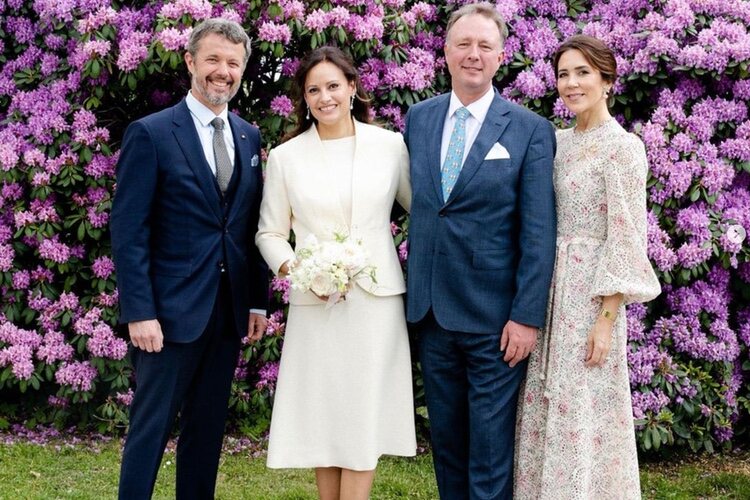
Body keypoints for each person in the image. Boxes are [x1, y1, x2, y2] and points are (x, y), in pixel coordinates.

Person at [403, 3, 557, 499]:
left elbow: (538, 232)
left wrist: (526, 316)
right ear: (445, 52)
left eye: (484, 46)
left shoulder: (530, 129)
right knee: (448, 449)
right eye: (463, 44)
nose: (473, 54)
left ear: (501, 56)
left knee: (490, 456)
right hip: (432, 315)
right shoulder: (419, 118)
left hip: (496, 322)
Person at [110, 19, 268, 499]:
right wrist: (140, 311)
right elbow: (129, 229)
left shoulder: (249, 137)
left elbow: (249, 225)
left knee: (206, 433)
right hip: (167, 316)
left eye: (233, 63)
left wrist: (256, 303)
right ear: (191, 62)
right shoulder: (152, 133)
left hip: (224, 314)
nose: (223, 71)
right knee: (150, 431)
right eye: (214, 59)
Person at [255, 46, 416, 500]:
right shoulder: (286, 158)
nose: (324, 97)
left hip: (375, 303)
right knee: (326, 415)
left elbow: (422, 212)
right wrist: (299, 270)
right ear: (304, 99)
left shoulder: (389, 146)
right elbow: (269, 233)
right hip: (316, 303)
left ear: (352, 87)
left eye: (332, 86)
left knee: (363, 411)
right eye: (313, 90)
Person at [514, 35, 661, 499]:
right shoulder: (553, 142)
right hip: (548, 287)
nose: (571, 83)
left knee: (581, 406)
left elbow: (625, 236)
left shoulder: (623, 147)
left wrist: (605, 319)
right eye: (563, 74)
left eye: (582, 73)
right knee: (543, 402)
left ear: (606, 80)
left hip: (590, 295)